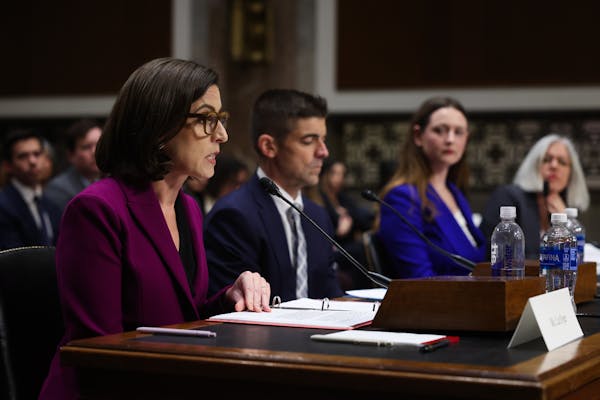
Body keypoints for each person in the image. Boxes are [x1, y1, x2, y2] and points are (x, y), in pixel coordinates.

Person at [39, 57, 271, 400]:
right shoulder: (96, 210)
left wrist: (228, 297)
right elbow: (99, 350)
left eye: (221, 120)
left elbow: (179, 318)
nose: (221, 135)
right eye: (207, 120)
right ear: (160, 124)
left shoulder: (188, 208)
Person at [204, 89, 344, 302]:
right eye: (309, 141)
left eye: (323, 140)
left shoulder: (317, 216)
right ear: (269, 146)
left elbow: (331, 294)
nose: (323, 152)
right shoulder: (234, 215)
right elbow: (236, 310)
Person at [375, 96, 487, 278]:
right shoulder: (402, 198)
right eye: (440, 130)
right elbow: (418, 277)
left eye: (458, 132)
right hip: (434, 302)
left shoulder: (454, 191)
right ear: (418, 136)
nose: (450, 139)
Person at [480, 134, 589, 259]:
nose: (554, 166)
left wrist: (565, 223)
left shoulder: (565, 207)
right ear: (534, 165)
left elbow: (575, 258)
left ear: (571, 174)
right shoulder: (508, 197)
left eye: (562, 162)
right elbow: (495, 254)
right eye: (546, 160)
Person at [313, 158, 375, 289]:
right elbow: (320, 230)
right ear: (325, 174)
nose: (338, 178)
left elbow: (361, 219)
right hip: (332, 248)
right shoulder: (319, 198)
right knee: (359, 250)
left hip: (346, 246)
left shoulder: (342, 197)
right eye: (334, 173)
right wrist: (339, 230)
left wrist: (349, 217)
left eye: (342, 174)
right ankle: (364, 290)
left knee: (365, 245)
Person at [0, 129, 61, 249]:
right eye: (23, 156)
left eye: (37, 154)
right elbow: (13, 256)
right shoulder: (3, 205)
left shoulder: (50, 204)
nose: (32, 161)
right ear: (8, 166)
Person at [45, 118, 102, 214]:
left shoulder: (114, 181)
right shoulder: (58, 189)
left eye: (99, 145)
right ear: (71, 155)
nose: (94, 152)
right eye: (86, 147)